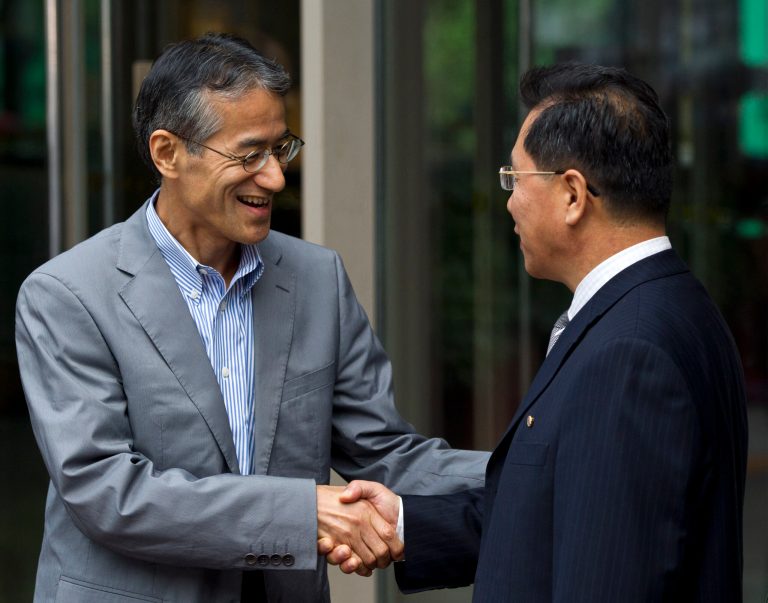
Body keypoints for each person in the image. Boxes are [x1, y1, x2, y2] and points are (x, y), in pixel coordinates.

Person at [14, 33, 489, 603]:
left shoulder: (317, 279)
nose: (276, 178)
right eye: (249, 155)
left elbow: (386, 454)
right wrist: (304, 514)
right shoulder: (68, 294)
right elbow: (107, 492)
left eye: (280, 149)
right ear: (167, 153)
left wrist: (539, 465)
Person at [329, 63, 749, 601]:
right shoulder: (669, 305)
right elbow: (558, 511)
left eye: (515, 178)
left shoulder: (628, 353)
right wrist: (406, 522)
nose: (509, 201)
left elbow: (606, 578)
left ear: (573, 194)